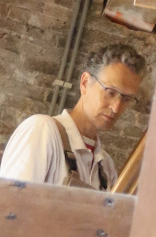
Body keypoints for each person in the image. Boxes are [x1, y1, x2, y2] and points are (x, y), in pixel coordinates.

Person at [0, 44, 145, 190]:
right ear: (85, 83)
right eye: (110, 92)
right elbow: (10, 201)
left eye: (126, 99)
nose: (116, 107)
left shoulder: (106, 167)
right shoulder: (42, 131)